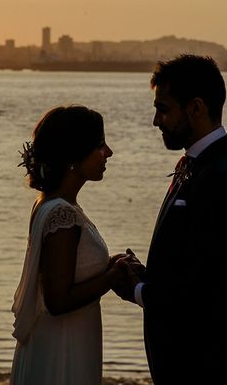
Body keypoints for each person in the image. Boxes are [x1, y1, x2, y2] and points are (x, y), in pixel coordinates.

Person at [115, 55, 227, 384]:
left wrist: (135, 289)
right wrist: (147, 277)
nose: (155, 121)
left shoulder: (220, 175)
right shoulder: (205, 164)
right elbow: (194, 265)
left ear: (195, 107)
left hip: (208, 363)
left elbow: (204, 292)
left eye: (163, 109)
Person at [10, 105, 138, 385]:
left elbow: (70, 270)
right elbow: (57, 300)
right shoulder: (61, 214)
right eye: (100, 145)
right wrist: (111, 277)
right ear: (75, 154)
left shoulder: (56, 204)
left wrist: (109, 265)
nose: (109, 152)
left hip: (71, 336)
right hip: (63, 345)